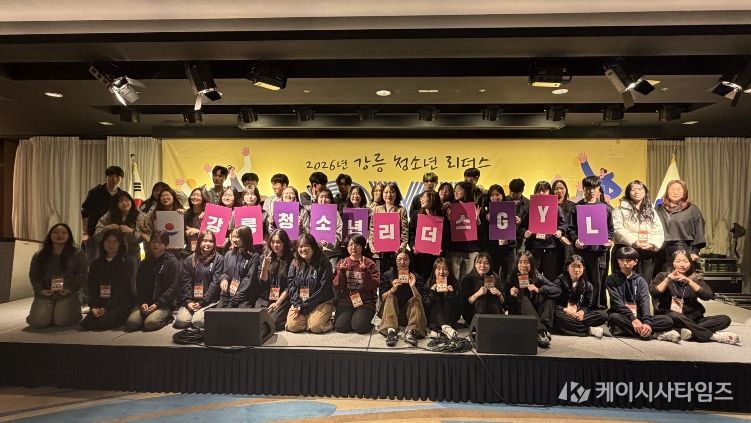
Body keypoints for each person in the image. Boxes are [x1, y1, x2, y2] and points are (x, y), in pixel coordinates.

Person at [650, 250, 738, 344]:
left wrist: (689, 281)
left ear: (690, 263)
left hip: (693, 317)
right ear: (672, 263)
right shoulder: (663, 276)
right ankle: (712, 336)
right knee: (674, 315)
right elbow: (654, 293)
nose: (682, 264)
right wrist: (668, 280)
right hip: (673, 317)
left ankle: (687, 331)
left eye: (685, 261)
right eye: (678, 261)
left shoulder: (694, 278)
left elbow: (708, 296)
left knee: (725, 319)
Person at [605, 247, 676, 342]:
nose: (625, 263)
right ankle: (653, 334)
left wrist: (647, 322)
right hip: (622, 315)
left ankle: (635, 331)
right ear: (618, 261)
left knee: (667, 320)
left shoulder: (641, 281)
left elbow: (645, 302)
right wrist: (633, 319)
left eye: (629, 260)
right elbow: (617, 303)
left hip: (639, 316)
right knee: (613, 318)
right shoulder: (611, 279)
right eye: (622, 260)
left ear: (635, 262)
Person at [27, 224, 87, 329]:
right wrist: (41, 290)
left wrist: (70, 289)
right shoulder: (39, 254)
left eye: (64, 233)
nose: (60, 235)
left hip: (68, 294)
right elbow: (34, 275)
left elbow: (82, 274)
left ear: (69, 235)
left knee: (61, 321)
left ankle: (74, 312)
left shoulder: (78, 253)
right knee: (38, 322)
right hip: (46, 294)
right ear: (50, 235)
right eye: (56, 232)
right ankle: (50, 312)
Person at [567, 176, 614, 309]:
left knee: (598, 282)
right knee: (580, 280)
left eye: (594, 188)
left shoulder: (605, 208)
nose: (591, 191)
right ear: (583, 189)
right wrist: (575, 239)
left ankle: (596, 309)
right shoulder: (576, 207)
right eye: (588, 188)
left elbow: (610, 229)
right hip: (581, 252)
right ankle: (579, 307)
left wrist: (609, 240)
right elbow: (570, 229)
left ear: (598, 189)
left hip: (599, 252)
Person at [80, 229, 135, 330]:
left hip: (119, 303)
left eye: (115, 241)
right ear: (103, 243)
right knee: (86, 323)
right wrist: (93, 307)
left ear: (120, 244)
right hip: (100, 302)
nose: (111, 244)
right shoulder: (96, 264)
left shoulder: (127, 262)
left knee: (104, 322)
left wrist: (107, 308)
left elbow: (123, 290)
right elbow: (92, 288)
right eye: (108, 241)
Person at [126, 231, 180, 332]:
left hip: (164, 304)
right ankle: (147, 315)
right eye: (153, 241)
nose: (156, 245)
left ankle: (167, 317)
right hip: (147, 303)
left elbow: (173, 288)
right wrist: (142, 302)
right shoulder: (145, 263)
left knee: (150, 324)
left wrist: (157, 304)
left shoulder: (172, 262)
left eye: (160, 242)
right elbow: (140, 286)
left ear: (166, 245)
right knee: (132, 323)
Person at [505, 251, 561, 348]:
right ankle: (540, 332)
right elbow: (506, 303)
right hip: (519, 311)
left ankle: (544, 329)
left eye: (526, 262)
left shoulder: (536, 274)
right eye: (520, 262)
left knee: (547, 296)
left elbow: (557, 289)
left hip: (534, 312)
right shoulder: (511, 276)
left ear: (531, 263)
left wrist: (538, 289)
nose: (523, 265)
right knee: (523, 298)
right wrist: (512, 295)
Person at [612, 180, 664, 283]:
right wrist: (634, 241)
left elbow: (658, 230)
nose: (636, 192)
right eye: (633, 189)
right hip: (626, 251)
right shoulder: (619, 209)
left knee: (643, 284)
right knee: (623, 285)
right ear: (628, 192)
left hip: (646, 251)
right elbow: (617, 229)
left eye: (640, 189)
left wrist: (653, 244)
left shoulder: (650, 209)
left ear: (645, 192)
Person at [94, 191, 146, 289]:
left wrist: (132, 231)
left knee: (131, 280)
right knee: (110, 280)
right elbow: (96, 235)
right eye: (121, 201)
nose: (124, 203)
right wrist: (106, 229)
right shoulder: (109, 215)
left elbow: (143, 237)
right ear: (116, 203)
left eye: (127, 200)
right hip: (111, 254)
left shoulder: (139, 215)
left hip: (131, 254)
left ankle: (132, 296)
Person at [285, 234, 335, 333]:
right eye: (300, 246)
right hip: (300, 301)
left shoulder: (324, 262)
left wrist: (305, 306)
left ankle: (328, 321)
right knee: (293, 326)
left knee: (315, 327)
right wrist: (297, 304)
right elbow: (291, 285)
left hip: (320, 301)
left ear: (313, 246)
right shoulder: (295, 263)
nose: (303, 249)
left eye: (306, 246)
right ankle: (309, 319)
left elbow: (323, 289)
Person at [174, 231, 224, 328]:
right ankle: (195, 314)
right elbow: (186, 282)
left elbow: (215, 284)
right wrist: (188, 301)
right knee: (181, 322)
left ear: (214, 243)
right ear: (199, 241)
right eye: (204, 240)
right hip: (192, 300)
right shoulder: (189, 259)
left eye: (211, 241)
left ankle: (200, 316)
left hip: (209, 300)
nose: (207, 244)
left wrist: (202, 302)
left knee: (198, 322)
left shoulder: (219, 259)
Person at [378, 250, 428, 346]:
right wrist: (392, 289)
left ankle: (412, 332)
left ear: (410, 261)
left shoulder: (416, 276)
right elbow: (382, 297)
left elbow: (421, 300)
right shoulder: (387, 275)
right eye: (399, 259)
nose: (402, 262)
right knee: (390, 296)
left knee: (415, 299)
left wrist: (413, 286)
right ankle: (391, 331)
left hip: (410, 316)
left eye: (406, 259)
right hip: (390, 314)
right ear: (395, 261)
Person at [552, 255, 608, 338]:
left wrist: (582, 312)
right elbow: (552, 304)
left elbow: (588, 306)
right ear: (567, 268)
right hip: (564, 313)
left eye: (579, 267)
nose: (577, 270)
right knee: (556, 315)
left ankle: (570, 326)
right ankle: (588, 330)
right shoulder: (558, 282)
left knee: (603, 315)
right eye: (573, 266)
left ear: (583, 268)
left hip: (577, 315)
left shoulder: (587, 285)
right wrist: (565, 310)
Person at [655, 180, 706, 271]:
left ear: (684, 192)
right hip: (661, 250)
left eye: (679, 189)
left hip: (683, 248)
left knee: (680, 276)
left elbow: (699, 231)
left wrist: (695, 251)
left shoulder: (692, 209)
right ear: (667, 191)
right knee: (662, 277)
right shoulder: (659, 209)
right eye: (672, 189)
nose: (675, 192)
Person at [521, 181, 568, 281]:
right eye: (539, 191)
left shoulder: (556, 207)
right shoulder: (529, 207)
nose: (541, 193)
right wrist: (524, 232)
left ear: (549, 192)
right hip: (533, 248)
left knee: (550, 278)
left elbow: (563, 225)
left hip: (551, 248)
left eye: (544, 190)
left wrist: (560, 231)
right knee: (532, 277)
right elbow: (522, 226)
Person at [333, 234, 379, 334]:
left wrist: (365, 272)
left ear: (362, 246)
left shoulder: (369, 263)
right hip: (346, 302)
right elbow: (337, 285)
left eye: (357, 244)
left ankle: (362, 321)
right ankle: (352, 318)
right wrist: (341, 272)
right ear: (347, 247)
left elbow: (374, 285)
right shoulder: (342, 262)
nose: (353, 247)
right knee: (340, 327)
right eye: (350, 245)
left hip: (364, 302)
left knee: (359, 328)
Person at [81, 165, 124, 260]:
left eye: (118, 177)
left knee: (112, 262)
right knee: (94, 261)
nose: (114, 179)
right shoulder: (95, 192)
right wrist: (86, 230)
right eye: (111, 176)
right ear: (106, 177)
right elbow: (85, 211)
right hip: (95, 233)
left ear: (121, 179)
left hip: (114, 236)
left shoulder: (122, 195)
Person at [369, 182, 409, 276]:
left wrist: (402, 246)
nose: (389, 195)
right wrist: (371, 244)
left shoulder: (401, 210)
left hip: (395, 251)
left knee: (394, 277)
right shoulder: (376, 209)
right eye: (386, 192)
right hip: (380, 251)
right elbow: (372, 229)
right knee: (381, 277)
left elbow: (405, 231)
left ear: (396, 194)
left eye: (392, 192)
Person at [445, 181, 482, 282]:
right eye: (455, 190)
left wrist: (477, 219)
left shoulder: (475, 206)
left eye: (459, 190)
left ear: (466, 191)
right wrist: (449, 219)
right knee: (453, 279)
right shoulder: (451, 207)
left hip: (471, 249)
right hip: (454, 249)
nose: (456, 192)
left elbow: (481, 229)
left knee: (468, 279)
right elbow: (445, 230)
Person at [217, 226, 261, 308]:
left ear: (245, 238)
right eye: (233, 237)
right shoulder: (229, 254)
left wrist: (235, 299)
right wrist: (224, 279)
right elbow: (225, 273)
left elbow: (249, 280)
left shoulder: (254, 256)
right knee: (216, 313)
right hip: (228, 294)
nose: (234, 240)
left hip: (244, 297)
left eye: (237, 237)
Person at [260, 229, 295, 331]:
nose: (275, 245)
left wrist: (277, 303)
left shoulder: (291, 259)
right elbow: (263, 281)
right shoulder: (265, 257)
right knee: (258, 318)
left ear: (284, 243)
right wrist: (265, 267)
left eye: (278, 242)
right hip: (267, 297)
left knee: (272, 322)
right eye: (272, 242)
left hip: (283, 298)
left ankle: (287, 320)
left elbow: (290, 286)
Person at [409, 190, 446, 281]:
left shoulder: (442, 217)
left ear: (432, 199)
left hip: (435, 257)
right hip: (419, 256)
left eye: (424, 197)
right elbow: (411, 233)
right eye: (421, 197)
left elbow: (446, 237)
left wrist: (441, 249)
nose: (421, 199)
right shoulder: (416, 215)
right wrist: (413, 246)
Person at [481, 184, 516, 282]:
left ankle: (510, 291)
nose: (495, 197)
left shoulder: (510, 207)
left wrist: (517, 222)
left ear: (502, 196)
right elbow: (482, 230)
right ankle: (490, 290)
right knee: (491, 273)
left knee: (510, 274)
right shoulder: (485, 211)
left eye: (497, 194)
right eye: (492, 195)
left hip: (508, 248)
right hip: (492, 248)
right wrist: (486, 220)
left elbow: (515, 229)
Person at [462, 253, 505, 325]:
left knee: (494, 298)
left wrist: (499, 294)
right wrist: (477, 294)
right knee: (481, 300)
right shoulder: (468, 278)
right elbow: (465, 303)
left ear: (490, 265)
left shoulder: (495, 277)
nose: (482, 266)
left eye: (486, 263)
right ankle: (483, 323)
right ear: (475, 264)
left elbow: (503, 302)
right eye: (479, 263)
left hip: (493, 311)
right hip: (474, 314)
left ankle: (496, 322)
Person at [424, 257, 461, 338]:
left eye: (445, 269)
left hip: (450, 317)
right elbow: (425, 306)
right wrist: (432, 294)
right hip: (433, 318)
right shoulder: (429, 283)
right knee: (436, 301)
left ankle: (440, 329)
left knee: (445, 301)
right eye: (438, 269)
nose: (441, 272)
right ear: (434, 271)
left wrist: (452, 294)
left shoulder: (455, 283)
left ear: (449, 271)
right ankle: (445, 328)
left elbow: (459, 307)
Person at [315, 187, 344, 270]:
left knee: (331, 276)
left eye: (327, 197)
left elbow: (339, 232)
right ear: (317, 199)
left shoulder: (335, 214)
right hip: (317, 254)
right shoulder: (313, 213)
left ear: (331, 200)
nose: (324, 200)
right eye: (321, 197)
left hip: (332, 254)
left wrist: (329, 243)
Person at [552, 179, 577, 261]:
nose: (559, 191)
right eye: (556, 189)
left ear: (566, 189)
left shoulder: (573, 206)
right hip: (553, 242)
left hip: (568, 241)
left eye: (562, 188)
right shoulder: (549, 206)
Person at [505, 178, 529, 250]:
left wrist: (520, 222)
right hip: (505, 238)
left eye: (515, 192)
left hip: (520, 239)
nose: (511, 194)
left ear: (521, 191)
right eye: (510, 191)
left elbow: (529, 224)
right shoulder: (504, 200)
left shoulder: (528, 204)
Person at [184, 188, 208, 253]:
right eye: (193, 195)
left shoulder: (208, 213)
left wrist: (198, 231)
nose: (195, 197)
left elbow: (213, 234)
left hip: (205, 250)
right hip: (189, 249)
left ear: (203, 198)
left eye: (198, 195)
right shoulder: (187, 213)